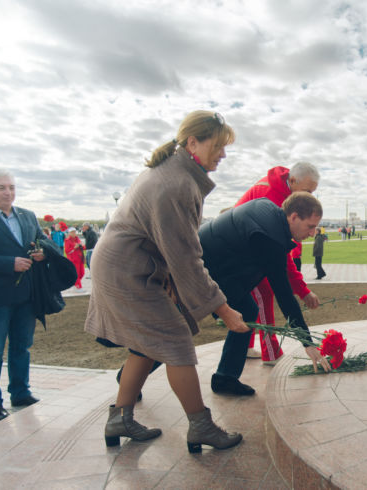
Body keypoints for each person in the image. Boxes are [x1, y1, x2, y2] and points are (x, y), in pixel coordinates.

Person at [84, 110, 249, 453]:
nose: (223, 154)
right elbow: (187, 258)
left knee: (147, 345)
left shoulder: (174, 174)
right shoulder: (176, 183)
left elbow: (172, 248)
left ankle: (120, 419)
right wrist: (224, 309)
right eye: (218, 146)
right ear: (193, 142)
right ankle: (201, 426)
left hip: (124, 266)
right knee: (176, 342)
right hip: (126, 271)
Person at [199, 192, 331, 396]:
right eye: (310, 226)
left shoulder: (271, 213)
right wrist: (308, 343)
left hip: (217, 267)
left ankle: (225, 378)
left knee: (247, 311)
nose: (313, 233)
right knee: (176, 328)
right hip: (200, 268)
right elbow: (284, 296)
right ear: (294, 217)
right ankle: (133, 380)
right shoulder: (269, 237)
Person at [0, 168, 48, 422]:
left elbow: (41, 242)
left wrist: (41, 253)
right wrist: (8, 263)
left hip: (25, 295)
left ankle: (20, 393)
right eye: (1, 188)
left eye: (11, 187)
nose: (8, 192)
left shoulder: (27, 216)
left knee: (22, 347)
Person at [234, 162, 321, 365]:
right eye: (308, 191)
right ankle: (270, 352)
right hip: (241, 253)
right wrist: (302, 290)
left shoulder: (287, 196)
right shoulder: (271, 197)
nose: (310, 197)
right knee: (264, 293)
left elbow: (283, 251)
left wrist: (301, 289)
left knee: (251, 304)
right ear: (292, 181)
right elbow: (280, 255)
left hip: (250, 250)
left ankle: (246, 347)